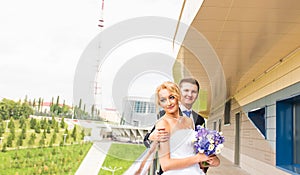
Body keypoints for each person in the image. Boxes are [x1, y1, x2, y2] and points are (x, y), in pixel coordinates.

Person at [143, 78, 220, 174]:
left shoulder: (195, 120)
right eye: (186, 91)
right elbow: (165, 163)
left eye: (194, 92)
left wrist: (211, 160)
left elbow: (194, 150)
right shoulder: (163, 119)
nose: (189, 94)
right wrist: (150, 137)